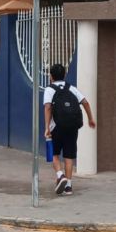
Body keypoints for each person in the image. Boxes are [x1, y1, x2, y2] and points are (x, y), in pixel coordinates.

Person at [42, 62, 96, 196]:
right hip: (72, 127)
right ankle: (69, 187)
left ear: (51, 76)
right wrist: (90, 119)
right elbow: (85, 102)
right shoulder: (71, 88)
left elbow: (48, 107)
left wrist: (47, 127)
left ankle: (60, 176)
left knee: (54, 154)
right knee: (69, 155)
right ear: (64, 75)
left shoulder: (49, 89)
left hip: (57, 127)